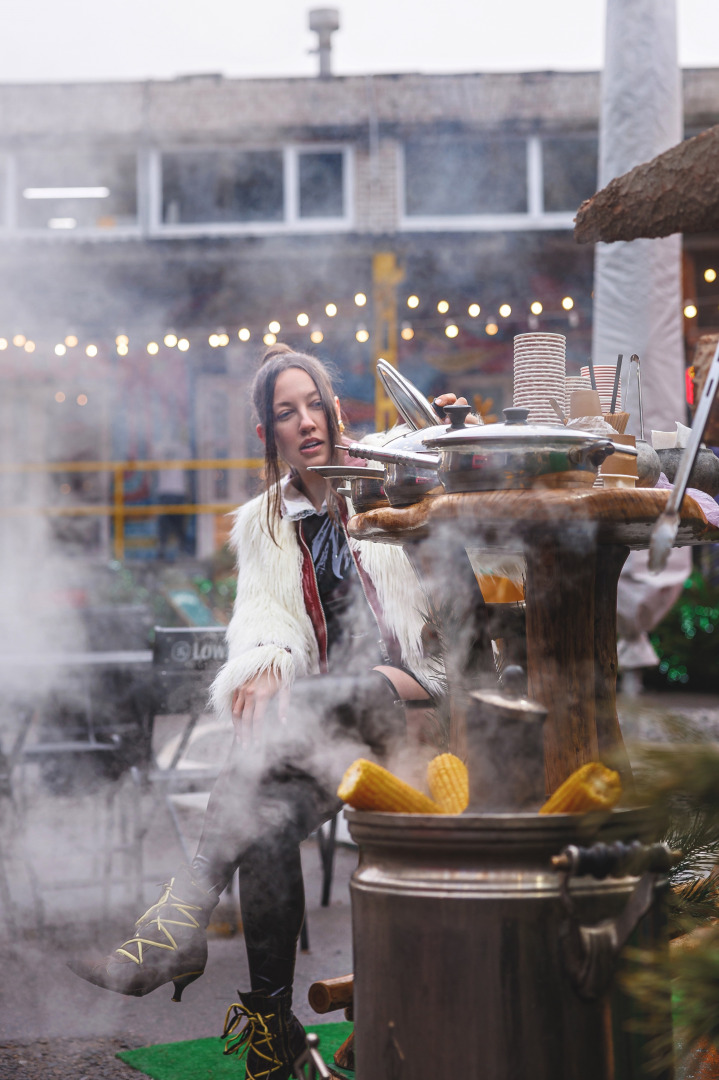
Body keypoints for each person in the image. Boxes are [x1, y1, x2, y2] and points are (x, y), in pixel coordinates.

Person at [70, 344, 462, 1080]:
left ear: (334, 410)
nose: (305, 422)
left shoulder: (386, 484)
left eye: (314, 403)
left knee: (301, 706)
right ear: (268, 433)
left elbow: (451, 623)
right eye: (286, 413)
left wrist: (365, 673)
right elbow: (264, 621)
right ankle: (269, 1036)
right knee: (268, 823)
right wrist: (262, 666)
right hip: (330, 734)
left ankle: (180, 921)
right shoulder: (265, 523)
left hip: (413, 702)